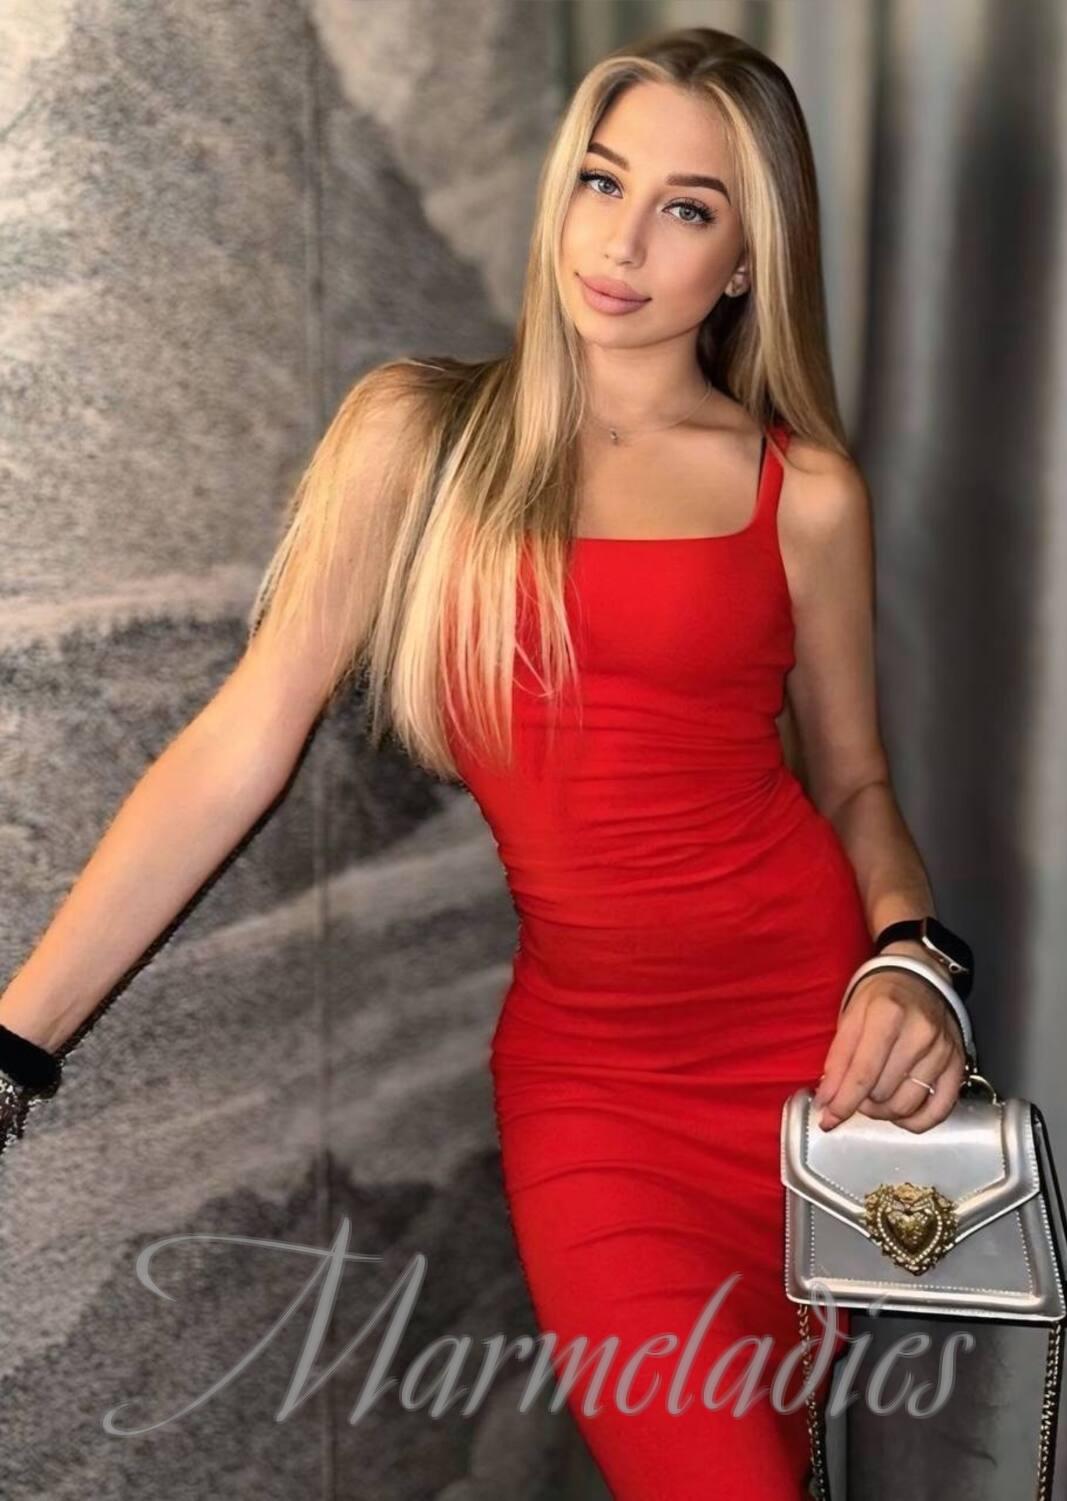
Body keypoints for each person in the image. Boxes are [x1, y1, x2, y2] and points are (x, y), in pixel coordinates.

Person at [0, 25, 975, 1499]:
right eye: (601, 180)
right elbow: (238, 746)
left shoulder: (804, 493)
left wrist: (911, 958)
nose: (622, 241)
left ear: (747, 261)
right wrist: (18, 1042)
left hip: (812, 1068)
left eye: (688, 208)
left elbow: (854, 785)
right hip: (597, 1093)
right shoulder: (420, 441)